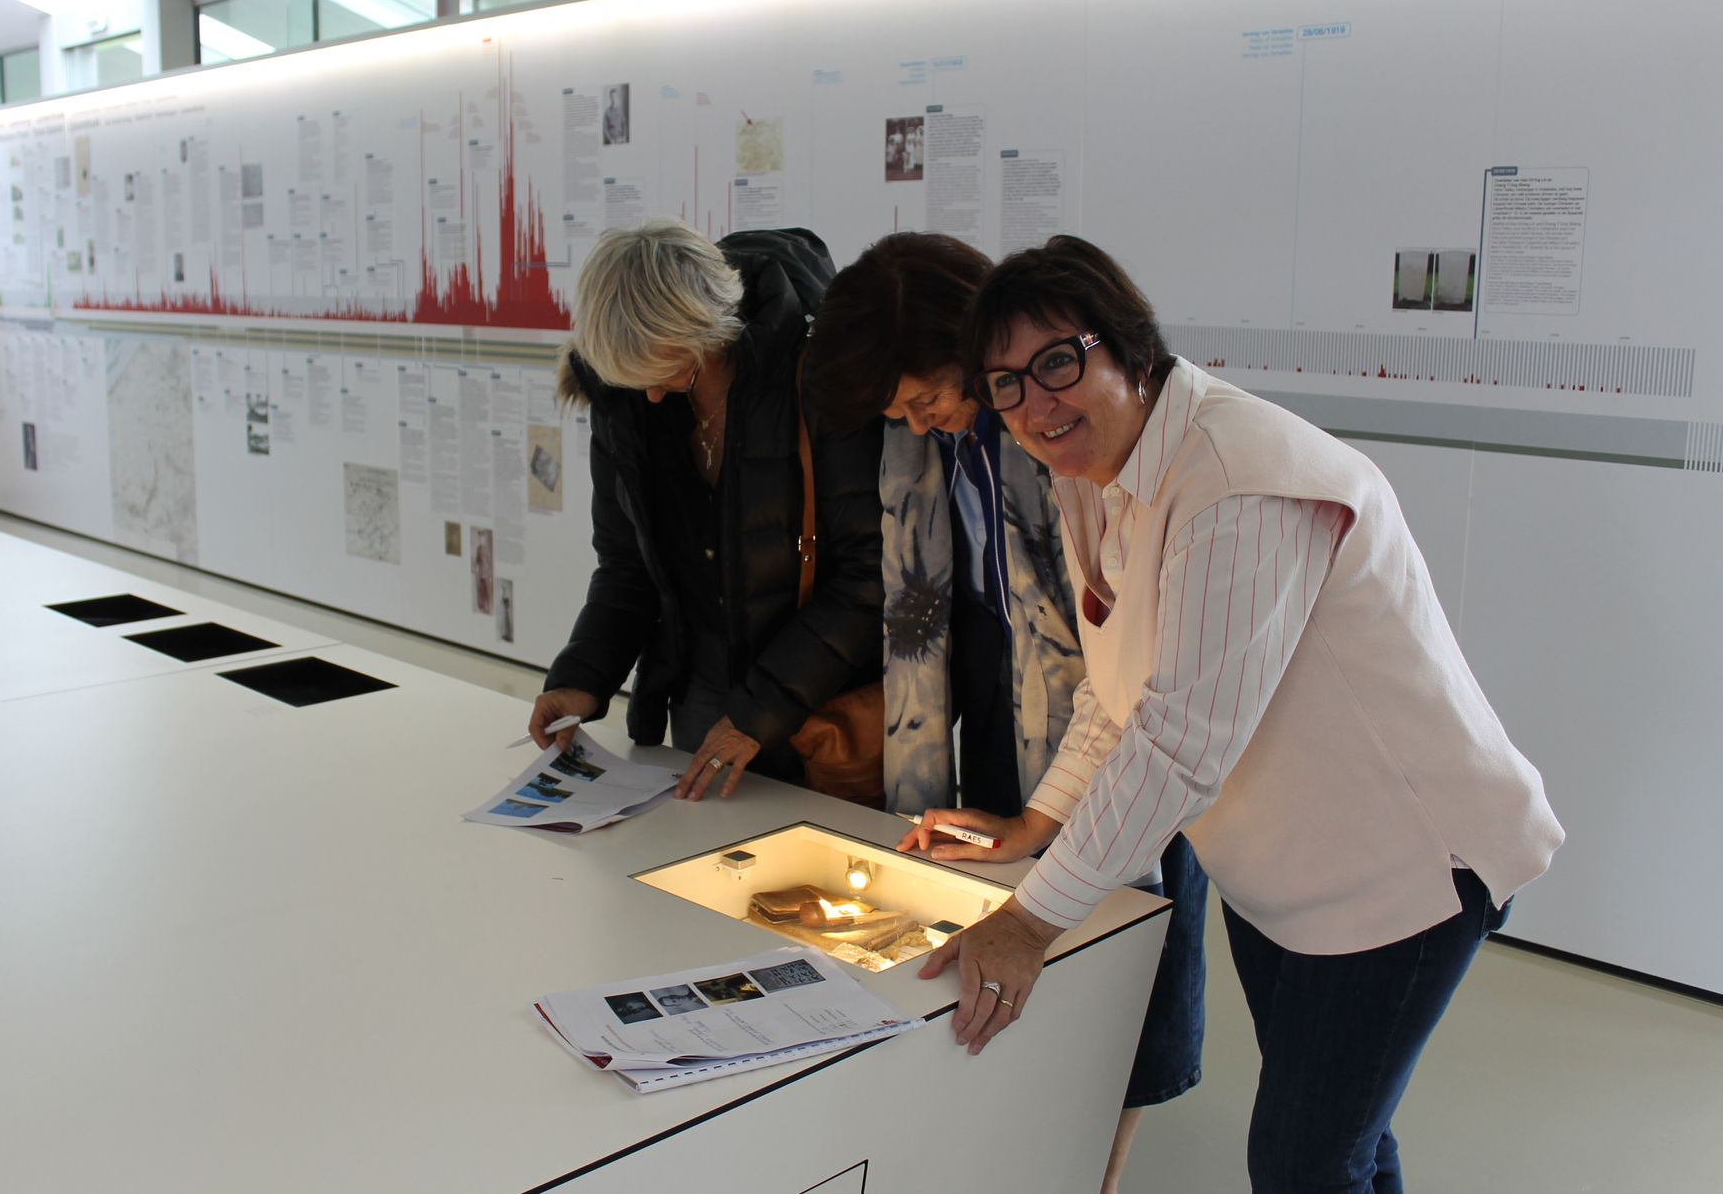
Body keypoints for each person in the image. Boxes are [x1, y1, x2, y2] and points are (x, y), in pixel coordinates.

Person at [902, 236, 1564, 1193]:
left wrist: (1032, 919)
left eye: (1057, 363)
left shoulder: (1237, 477)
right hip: (1287, 870)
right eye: (1005, 384)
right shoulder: (1096, 472)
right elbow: (1120, 685)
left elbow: (1179, 740)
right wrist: (1037, 821)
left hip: (1407, 873)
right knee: (1346, 1142)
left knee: (1305, 1162)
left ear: (1130, 349)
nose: (1036, 405)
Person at [805, 232, 1206, 1194]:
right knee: (997, 925)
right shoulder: (939, 434)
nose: (916, 422)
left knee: (1118, 943)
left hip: (1119, 715)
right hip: (999, 696)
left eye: (921, 399)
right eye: (899, 413)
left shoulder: (1065, 430)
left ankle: (1098, 1169)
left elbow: (1135, 674)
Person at [526, 219, 883, 800]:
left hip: (822, 706)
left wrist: (760, 711)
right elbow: (627, 564)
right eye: (636, 380)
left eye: (673, 371)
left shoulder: (813, 374)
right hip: (699, 700)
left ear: (712, 330)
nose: (653, 396)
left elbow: (869, 573)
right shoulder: (628, 395)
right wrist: (582, 679)